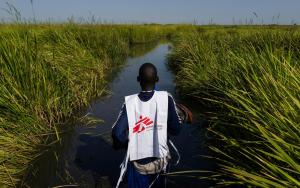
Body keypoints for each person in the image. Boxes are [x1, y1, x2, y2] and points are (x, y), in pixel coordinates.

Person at [111, 62, 183, 188]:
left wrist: (128, 143)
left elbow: (117, 134)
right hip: (160, 163)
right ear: (157, 79)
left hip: (139, 167)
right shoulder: (166, 99)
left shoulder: (129, 103)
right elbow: (176, 129)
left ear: (138, 80)